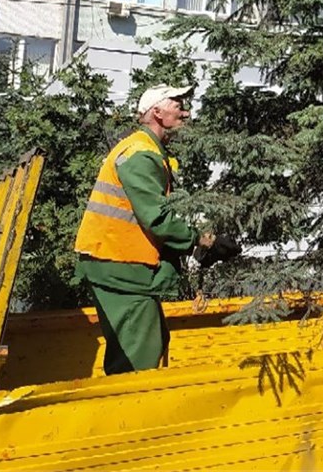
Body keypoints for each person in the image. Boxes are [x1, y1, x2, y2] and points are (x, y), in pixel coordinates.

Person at [74, 83, 218, 375]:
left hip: (116, 262)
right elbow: (157, 218)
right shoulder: (141, 154)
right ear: (157, 112)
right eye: (177, 104)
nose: (185, 111)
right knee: (137, 356)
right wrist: (200, 242)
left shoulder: (144, 149)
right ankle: (124, 416)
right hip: (119, 264)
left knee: (146, 342)